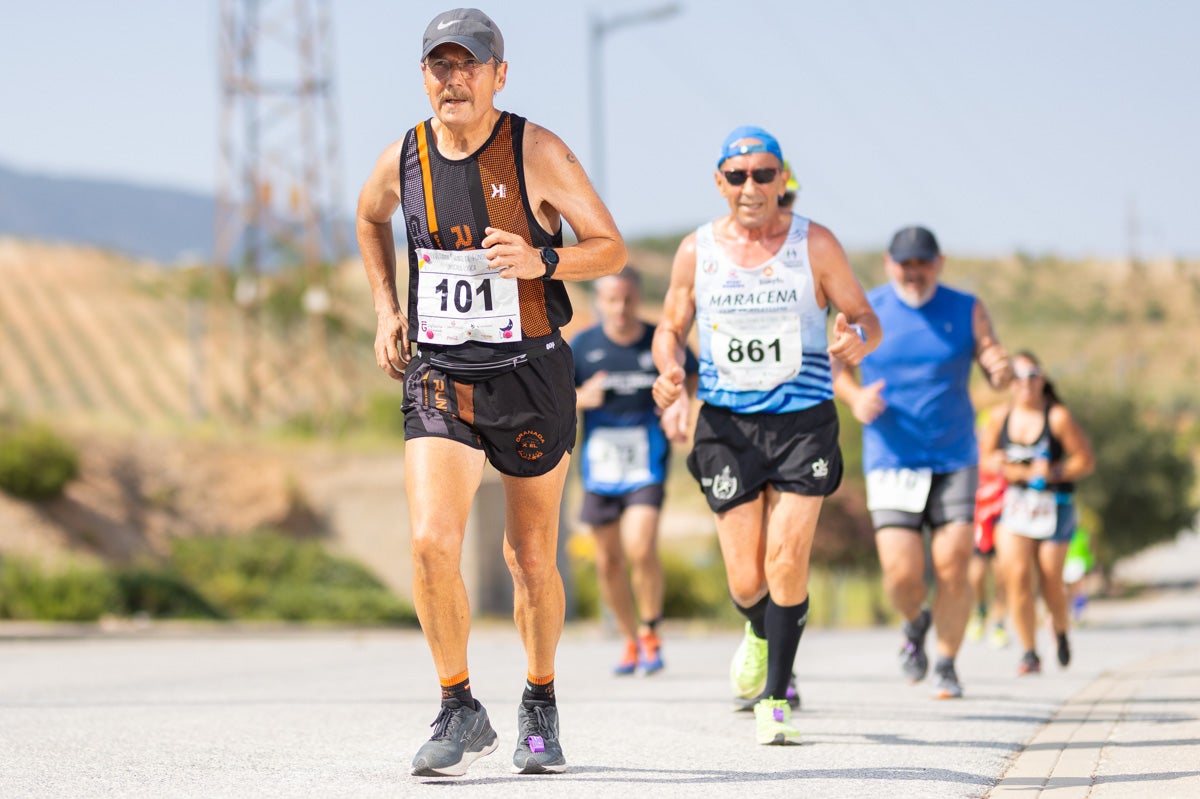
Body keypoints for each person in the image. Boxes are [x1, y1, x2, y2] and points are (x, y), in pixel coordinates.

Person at [355, 8, 625, 777]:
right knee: (431, 541)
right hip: (440, 373)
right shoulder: (402, 155)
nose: (454, 79)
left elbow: (609, 247)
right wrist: (385, 306)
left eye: (469, 64)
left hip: (530, 373)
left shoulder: (535, 149)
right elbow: (368, 217)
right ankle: (457, 702)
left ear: (498, 75)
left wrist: (544, 259)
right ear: (424, 76)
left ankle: (539, 700)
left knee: (531, 556)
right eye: (440, 65)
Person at [652, 125, 881, 745]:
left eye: (763, 173)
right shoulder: (696, 250)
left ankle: (776, 697)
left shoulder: (816, 245)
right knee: (747, 581)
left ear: (783, 179)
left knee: (786, 561)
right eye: (737, 175)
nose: (751, 186)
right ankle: (760, 629)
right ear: (720, 183)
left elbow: (865, 318)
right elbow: (670, 324)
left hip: (804, 422)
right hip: (727, 426)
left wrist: (855, 338)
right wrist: (669, 367)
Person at [833, 225, 1011, 700]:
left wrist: (998, 365)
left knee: (953, 562)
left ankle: (948, 663)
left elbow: (990, 351)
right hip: (892, 458)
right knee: (901, 573)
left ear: (939, 262)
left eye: (922, 263)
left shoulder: (966, 308)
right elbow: (837, 366)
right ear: (890, 264)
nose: (913, 272)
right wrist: (853, 397)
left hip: (954, 456)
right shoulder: (869, 312)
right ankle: (915, 623)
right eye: (904, 264)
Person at [573, 267, 697, 676]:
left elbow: (690, 374)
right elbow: (555, 397)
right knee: (608, 560)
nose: (620, 308)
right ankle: (629, 640)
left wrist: (680, 404)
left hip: (648, 460)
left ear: (637, 299)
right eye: (611, 299)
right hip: (600, 466)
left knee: (640, 546)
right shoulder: (583, 346)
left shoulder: (655, 341)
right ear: (599, 301)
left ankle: (650, 630)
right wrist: (580, 398)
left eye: (627, 299)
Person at [979, 351, 1094, 675]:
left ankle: (1059, 630)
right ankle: (1029, 652)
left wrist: (1053, 472)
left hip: (1054, 508)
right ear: (1010, 384)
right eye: (1019, 377)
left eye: (1033, 376)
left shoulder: (1057, 417)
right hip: (1014, 509)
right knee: (1015, 578)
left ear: (1042, 380)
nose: (1026, 384)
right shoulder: (999, 417)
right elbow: (985, 458)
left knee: (1050, 580)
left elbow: (1085, 460)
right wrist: (1007, 467)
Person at [966, 413, 1010, 648]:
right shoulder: (971, 452)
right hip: (979, 520)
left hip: (1004, 518)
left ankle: (999, 622)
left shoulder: (1008, 452)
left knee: (1003, 573)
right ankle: (980, 609)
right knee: (976, 575)